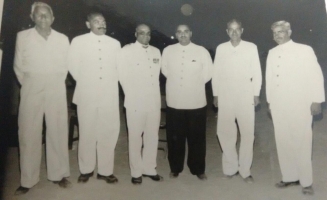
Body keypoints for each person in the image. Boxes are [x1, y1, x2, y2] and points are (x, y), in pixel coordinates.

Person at [13, 2, 71, 195]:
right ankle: (28, 179)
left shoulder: (62, 39)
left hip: (55, 86)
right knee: (29, 132)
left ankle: (58, 174)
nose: (43, 18)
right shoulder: (23, 37)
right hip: (31, 86)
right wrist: (31, 83)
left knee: (57, 129)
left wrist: (53, 81)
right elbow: (18, 67)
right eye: (39, 15)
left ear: (53, 18)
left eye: (47, 15)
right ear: (32, 17)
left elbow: (65, 67)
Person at [266, 20, 325, 195]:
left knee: (302, 141)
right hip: (279, 104)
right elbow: (270, 80)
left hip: (300, 103)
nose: (277, 35)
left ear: (289, 32)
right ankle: (290, 177)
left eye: (281, 32)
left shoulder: (304, 50)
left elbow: (316, 76)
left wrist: (316, 100)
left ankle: (306, 182)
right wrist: (270, 102)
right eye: (275, 33)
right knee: (283, 141)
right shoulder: (272, 52)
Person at [68, 12, 121, 184]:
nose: (101, 24)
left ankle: (105, 171)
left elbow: (118, 68)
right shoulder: (78, 41)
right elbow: (73, 66)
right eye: (96, 21)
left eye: (103, 21)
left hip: (109, 95)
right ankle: (86, 169)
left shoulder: (115, 44)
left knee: (108, 132)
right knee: (87, 132)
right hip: (86, 94)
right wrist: (87, 83)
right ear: (87, 24)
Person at [212, 19, 262, 183]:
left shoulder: (251, 47)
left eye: (237, 29)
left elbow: (257, 72)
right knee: (225, 131)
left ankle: (245, 171)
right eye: (231, 30)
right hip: (225, 94)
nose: (234, 32)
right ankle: (230, 167)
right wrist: (216, 94)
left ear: (242, 30)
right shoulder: (221, 48)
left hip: (245, 93)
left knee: (247, 133)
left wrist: (255, 93)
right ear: (227, 32)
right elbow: (216, 73)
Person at [162, 24, 213, 180]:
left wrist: (193, 84)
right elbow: (165, 70)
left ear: (191, 33)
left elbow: (208, 73)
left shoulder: (201, 51)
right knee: (175, 137)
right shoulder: (168, 51)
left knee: (197, 138)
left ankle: (198, 169)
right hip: (175, 101)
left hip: (196, 101)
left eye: (185, 32)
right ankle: (175, 167)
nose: (183, 34)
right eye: (179, 32)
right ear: (176, 35)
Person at [117, 24, 163, 185]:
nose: (145, 36)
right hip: (135, 101)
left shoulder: (156, 51)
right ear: (135, 34)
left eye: (148, 33)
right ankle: (136, 171)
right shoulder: (127, 50)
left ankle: (149, 168)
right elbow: (122, 76)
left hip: (153, 101)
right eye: (142, 33)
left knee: (152, 136)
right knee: (135, 137)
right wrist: (132, 95)